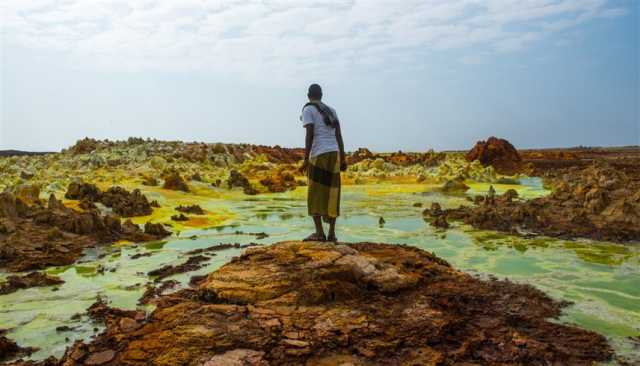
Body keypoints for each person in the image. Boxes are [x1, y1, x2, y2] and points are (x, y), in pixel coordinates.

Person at [299, 83, 347, 242]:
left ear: (308, 95)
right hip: (334, 154)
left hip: (318, 155)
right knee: (332, 193)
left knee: (315, 193)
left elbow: (310, 134)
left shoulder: (308, 109)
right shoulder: (331, 111)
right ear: (321, 95)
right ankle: (332, 234)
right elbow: (339, 135)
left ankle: (320, 233)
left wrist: (306, 159)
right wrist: (343, 157)